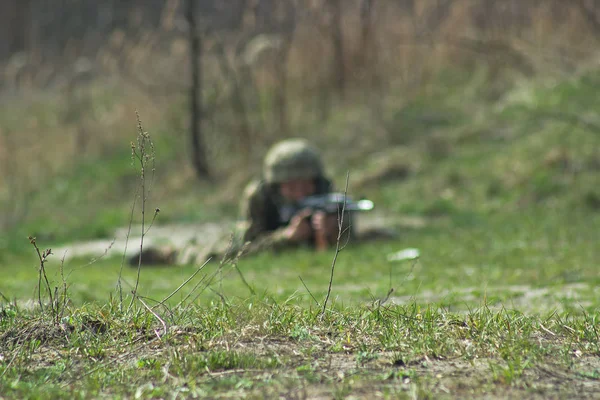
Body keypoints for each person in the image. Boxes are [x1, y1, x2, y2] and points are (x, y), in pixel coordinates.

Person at [129, 138, 350, 267]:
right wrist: (287, 237)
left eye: (306, 184)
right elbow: (248, 245)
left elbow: (352, 233)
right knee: (212, 255)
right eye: (291, 186)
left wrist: (336, 232)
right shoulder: (259, 196)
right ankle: (166, 254)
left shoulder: (327, 196)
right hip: (245, 239)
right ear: (276, 185)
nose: (301, 192)